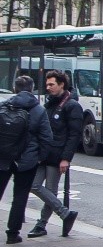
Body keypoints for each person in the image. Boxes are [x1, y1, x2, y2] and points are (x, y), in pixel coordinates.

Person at [27, 70, 83, 237]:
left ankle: (41, 224)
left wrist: (65, 158)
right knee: (35, 185)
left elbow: (74, 135)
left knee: (50, 190)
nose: (48, 87)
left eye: (51, 84)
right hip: (44, 154)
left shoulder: (72, 106)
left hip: (57, 155)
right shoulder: (51, 103)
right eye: (47, 84)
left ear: (61, 84)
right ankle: (64, 213)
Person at [2, 75, 55, 245]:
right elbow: (47, 138)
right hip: (27, 160)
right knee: (20, 196)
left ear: (14, 88)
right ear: (32, 89)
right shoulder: (38, 110)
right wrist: (39, 158)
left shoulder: (4, 105)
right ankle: (12, 233)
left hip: (3, 157)